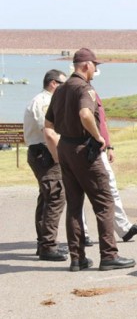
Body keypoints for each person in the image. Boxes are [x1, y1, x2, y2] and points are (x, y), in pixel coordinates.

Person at [44, 48, 135, 272]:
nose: (96, 70)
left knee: (74, 205)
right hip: (84, 149)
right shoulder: (84, 88)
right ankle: (109, 255)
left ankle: (77, 258)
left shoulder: (61, 90)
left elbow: (49, 125)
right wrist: (99, 137)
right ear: (86, 65)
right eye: (95, 65)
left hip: (65, 147)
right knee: (104, 202)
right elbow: (86, 114)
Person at [82, 91, 137, 245]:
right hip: (87, 148)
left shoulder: (93, 93)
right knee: (80, 193)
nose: (95, 70)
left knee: (110, 189)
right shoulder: (78, 92)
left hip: (100, 148)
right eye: (94, 66)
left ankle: (124, 229)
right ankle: (82, 234)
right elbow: (84, 117)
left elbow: (102, 122)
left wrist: (109, 146)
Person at [23, 69, 68, 261]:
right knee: (56, 196)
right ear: (53, 83)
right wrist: (60, 157)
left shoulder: (47, 101)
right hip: (45, 152)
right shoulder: (44, 102)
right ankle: (48, 246)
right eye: (63, 85)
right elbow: (49, 133)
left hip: (43, 151)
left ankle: (44, 243)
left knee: (46, 197)